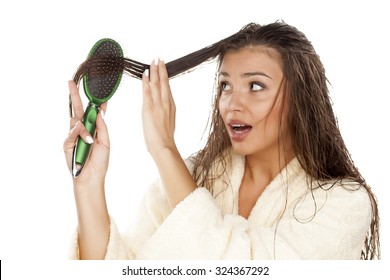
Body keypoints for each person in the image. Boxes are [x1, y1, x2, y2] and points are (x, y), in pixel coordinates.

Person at [64, 21, 380, 260]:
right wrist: (88, 185)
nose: (231, 104)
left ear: (300, 100)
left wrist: (164, 149)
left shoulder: (345, 204)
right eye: (225, 85)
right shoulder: (193, 176)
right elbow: (126, 269)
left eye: (255, 86)